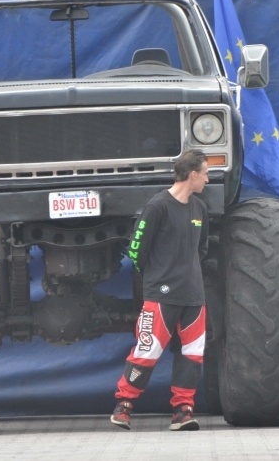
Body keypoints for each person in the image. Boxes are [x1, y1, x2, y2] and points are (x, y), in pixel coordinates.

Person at [110, 149, 210, 432]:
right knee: (147, 350)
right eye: (205, 173)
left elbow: (200, 250)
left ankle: (183, 411)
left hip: (194, 296)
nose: (207, 179)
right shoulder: (157, 206)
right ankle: (123, 407)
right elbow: (136, 251)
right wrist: (157, 279)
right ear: (192, 174)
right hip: (161, 295)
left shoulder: (200, 208)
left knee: (192, 355)